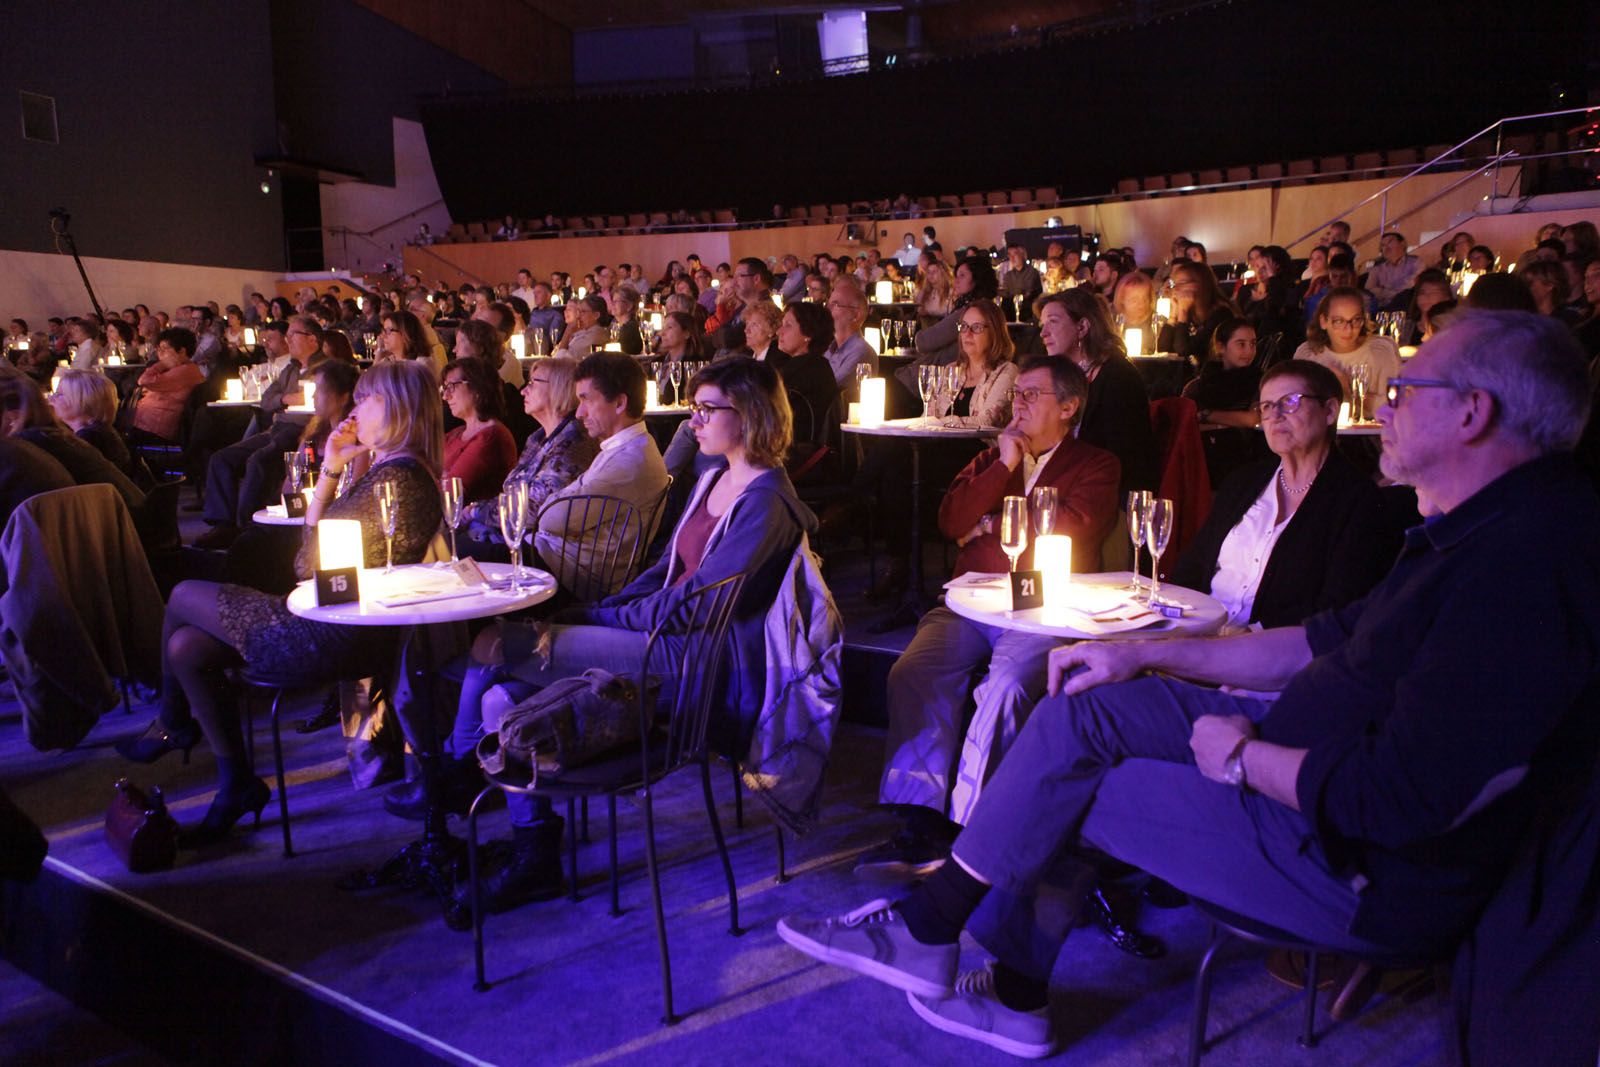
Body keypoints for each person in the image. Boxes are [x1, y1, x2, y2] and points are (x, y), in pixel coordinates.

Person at [778, 309, 1600, 1062]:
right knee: (1082, 711)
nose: (1381, 406)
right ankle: (948, 936)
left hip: (1346, 854)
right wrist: (1148, 657)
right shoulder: (1475, 531)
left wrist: (1245, 757)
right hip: (1301, 740)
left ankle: (992, 968)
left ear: (1473, 411)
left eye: (1402, 388)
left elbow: (1400, 797)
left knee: (1065, 784)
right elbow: (1319, 642)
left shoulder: (1525, 564)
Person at [426, 358, 818, 919]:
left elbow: (696, 603)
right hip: (661, 636)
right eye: (694, 407)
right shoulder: (716, 475)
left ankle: (452, 779)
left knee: (495, 643)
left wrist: (599, 620)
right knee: (497, 698)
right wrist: (604, 607)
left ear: (751, 414)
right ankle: (535, 853)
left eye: (707, 409)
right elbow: (665, 570)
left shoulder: (767, 501)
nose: (693, 420)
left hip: (694, 660)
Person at [121, 362, 444, 845]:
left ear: (397, 408)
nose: (354, 409)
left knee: (185, 594)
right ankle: (236, 782)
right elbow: (314, 556)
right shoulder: (387, 470)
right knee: (187, 646)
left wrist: (334, 475)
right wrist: (335, 468)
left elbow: (307, 565)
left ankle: (173, 720)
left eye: (367, 399)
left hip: (336, 632)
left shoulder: (395, 481)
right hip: (334, 616)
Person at [860, 356, 1120, 878]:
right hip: (971, 597)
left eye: (1030, 395)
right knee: (914, 671)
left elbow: (1069, 532)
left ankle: (972, 829)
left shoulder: (1095, 464)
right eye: (1016, 393)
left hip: (1041, 601)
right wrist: (1002, 467)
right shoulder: (991, 459)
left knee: (1007, 687)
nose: (1015, 405)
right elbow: (949, 520)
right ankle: (919, 814)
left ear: (1068, 407)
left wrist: (992, 521)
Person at [1171, 359, 1398, 629]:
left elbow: (1339, 606)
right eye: (1266, 406)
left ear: (1329, 411)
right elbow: (1193, 566)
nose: (1275, 415)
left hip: (1276, 653)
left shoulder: (1358, 500)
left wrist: (1248, 635)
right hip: (1200, 635)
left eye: (1290, 402)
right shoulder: (1242, 483)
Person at [531, 353, 670, 599]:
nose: (579, 413)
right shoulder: (620, 448)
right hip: (554, 560)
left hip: (570, 578)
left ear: (619, 403)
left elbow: (549, 519)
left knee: (465, 561)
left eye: (586, 400)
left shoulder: (630, 461)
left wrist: (559, 500)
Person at [194, 316, 326, 550]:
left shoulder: (325, 369)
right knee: (222, 458)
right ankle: (223, 524)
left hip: (304, 430)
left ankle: (246, 528)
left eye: (294, 334)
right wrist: (286, 398)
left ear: (313, 339)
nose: (288, 339)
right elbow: (266, 400)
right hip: (278, 427)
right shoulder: (290, 370)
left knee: (258, 460)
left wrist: (289, 401)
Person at [457, 357, 595, 564]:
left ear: (558, 387)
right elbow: (512, 493)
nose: (523, 390)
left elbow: (535, 510)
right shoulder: (538, 438)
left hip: (545, 551)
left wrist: (477, 511)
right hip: (516, 535)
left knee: (453, 547)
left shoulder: (573, 443)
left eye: (532, 383)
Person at [1036, 288, 1159, 494]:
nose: (1043, 333)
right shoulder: (1067, 379)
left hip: (1107, 495)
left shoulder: (1118, 378)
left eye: (1053, 322)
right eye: (1042, 325)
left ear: (1082, 327)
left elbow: (1125, 461)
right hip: (1074, 485)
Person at [0, 373, 145, 518]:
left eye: (59, 394)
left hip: (120, 524)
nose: (51, 399)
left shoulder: (33, 446)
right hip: (122, 521)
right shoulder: (60, 438)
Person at [1184, 317, 1264, 486]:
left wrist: (1207, 415)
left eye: (1253, 344)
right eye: (1241, 344)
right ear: (1221, 347)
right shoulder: (1202, 384)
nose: (1249, 351)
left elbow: (1255, 418)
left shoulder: (1260, 381)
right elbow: (1188, 421)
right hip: (1204, 458)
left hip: (1246, 457)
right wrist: (1234, 420)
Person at [1292, 286, 1402, 399]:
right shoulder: (1308, 354)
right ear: (1324, 321)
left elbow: (1394, 405)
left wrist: (1348, 388)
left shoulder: (1381, 352)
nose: (1348, 329)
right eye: (1339, 321)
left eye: (1355, 320)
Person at [928, 300, 1019, 425]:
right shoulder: (952, 370)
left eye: (976, 327)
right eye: (964, 326)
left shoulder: (1007, 371)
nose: (967, 334)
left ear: (994, 333)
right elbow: (927, 419)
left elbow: (987, 422)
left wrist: (942, 423)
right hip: (937, 443)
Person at [441, 356, 517, 505]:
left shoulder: (491, 437)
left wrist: (440, 476)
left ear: (477, 388)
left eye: (451, 387)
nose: (445, 396)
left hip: (473, 524)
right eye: (444, 388)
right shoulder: (457, 432)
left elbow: (449, 493)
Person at [49, 369, 135, 479]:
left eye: (59, 394)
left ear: (83, 401)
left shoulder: (90, 439)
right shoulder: (99, 431)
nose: (51, 398)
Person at [1161, 260, 1236, 362]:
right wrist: (1173, 316)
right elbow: (1162, 349)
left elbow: (1183, 350)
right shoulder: (1191, 313)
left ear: (1201, 284)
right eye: (1174, 283)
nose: (1176, 289)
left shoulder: (1221, 314)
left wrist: (1183, 313)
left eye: (1183, 282)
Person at [823, 277, 875, 385]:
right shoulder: (830, 349)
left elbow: (829, 387)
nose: (828, 309)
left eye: (835, 305)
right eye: (828, 304)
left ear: (856, 315)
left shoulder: (861, 352)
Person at [654, 310, 707, 405]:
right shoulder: (657, 363)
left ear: (686, 333)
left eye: (669, 328)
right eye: (663, 328)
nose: (662, 333)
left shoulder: (693, 366)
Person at [1366, 231, 1422, 310]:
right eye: (1383, 245)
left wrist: (1384, 291)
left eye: (1390, 242)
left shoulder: (1416, 262)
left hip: (1408, 307)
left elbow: (1413, 283)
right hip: (1383, 309)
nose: (1386, 247)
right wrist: (1394, 293)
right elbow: (1369, 289)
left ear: (1403, 244)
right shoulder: (1377, 269)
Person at [999, 243, 1042, 322]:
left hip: (1028, 312)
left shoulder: (1032, 273)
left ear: (1022, 255)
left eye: (1015, 254)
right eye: (1009, 255)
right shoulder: (1008, 275)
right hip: (1010, 313)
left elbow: (1028, 294)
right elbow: (1006, 293)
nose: (1012, 258)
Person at [739, 298, 784, 364]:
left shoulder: (778, 359)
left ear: (772, 329)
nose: (746, 330)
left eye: (754, 325)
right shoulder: (744, 358)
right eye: (747, 324)